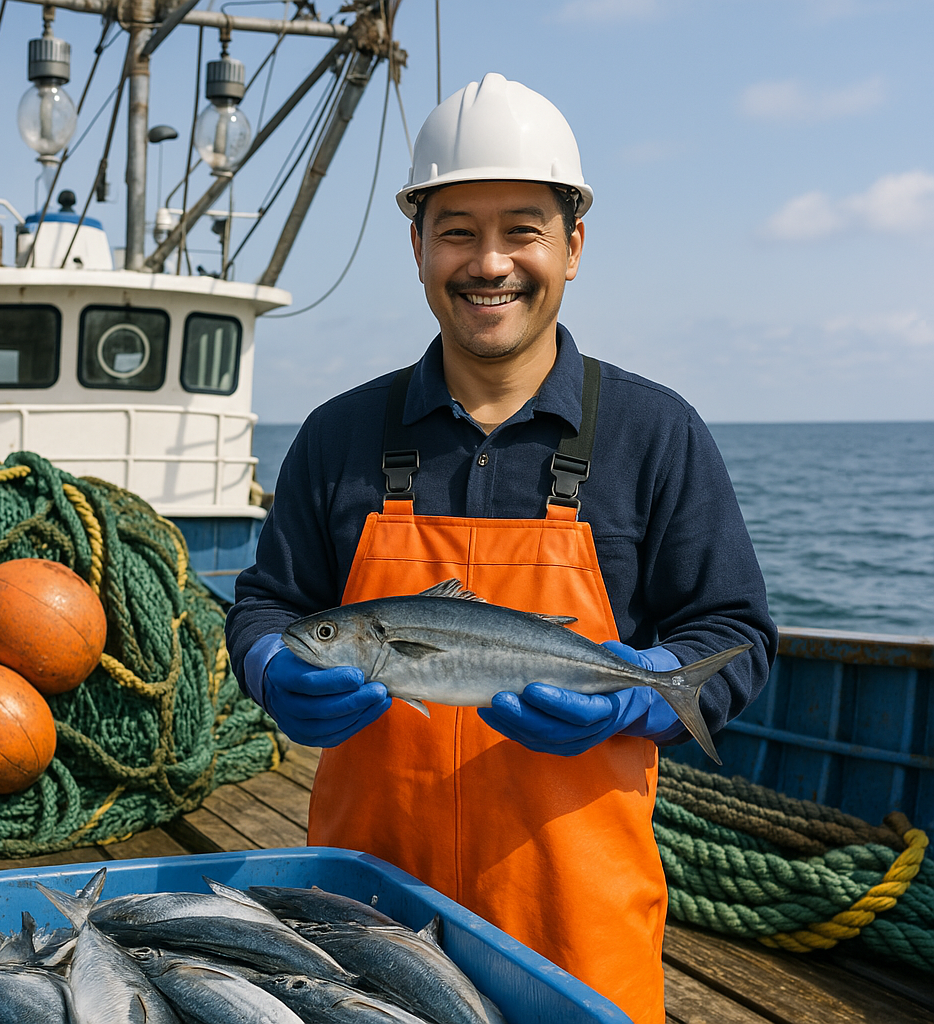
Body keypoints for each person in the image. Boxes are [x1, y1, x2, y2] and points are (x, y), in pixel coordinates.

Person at [226, 73, 777, 1024]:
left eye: (522, 228)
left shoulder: (655, 433)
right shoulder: (338, 434)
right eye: (456, 231)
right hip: (364, 912)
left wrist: (641, 698)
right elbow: (269, 605)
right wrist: (274, 665)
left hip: (574, 924)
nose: (490, 262)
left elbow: (735, 631)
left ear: (573, 245)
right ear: (416, 247)